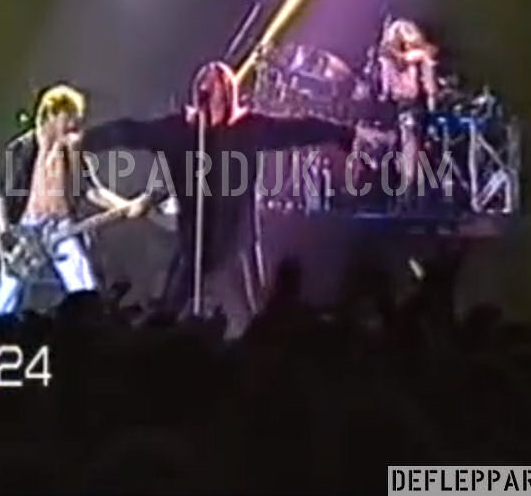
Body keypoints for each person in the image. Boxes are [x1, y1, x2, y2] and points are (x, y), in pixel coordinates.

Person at [84, 61, 354, 337]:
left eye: (216, 84)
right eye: (205, 82)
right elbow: (133, 132)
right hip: (193, 241)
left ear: (227, 93)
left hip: (237, 242)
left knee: (248, 316)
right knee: (168, 312)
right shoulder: (179, 130)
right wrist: (88, 140)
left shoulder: (248, 128)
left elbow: (297, 130)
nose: (209, 87)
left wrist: (343, 133)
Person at [0, 83, 146, 322]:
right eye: (68, 117)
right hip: (27, 229)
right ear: (51, 115)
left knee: (83, 284)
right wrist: (5, 232)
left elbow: (90, 190)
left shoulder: (72, 151)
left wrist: (125, 206)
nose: (74, 123)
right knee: (8, 292)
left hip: (62, 227)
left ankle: (93, 327)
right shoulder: (23, 147)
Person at [377, 18, 438, 209]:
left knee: (409, 152)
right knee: (411, 152)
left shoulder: (391, 57)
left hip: (405, 106)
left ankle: (408, 198)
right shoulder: (417, 55)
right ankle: (412, 197)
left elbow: (386, 89)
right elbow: (430, 87)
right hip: (409, 106)